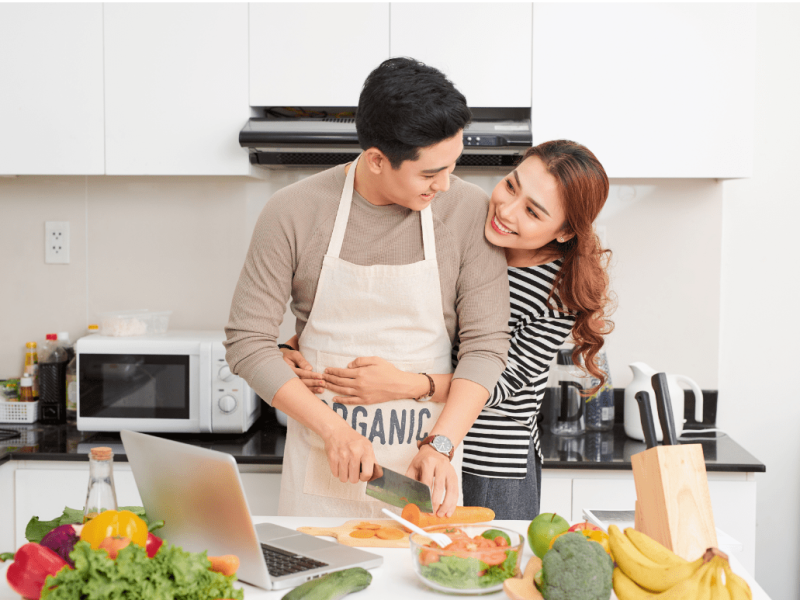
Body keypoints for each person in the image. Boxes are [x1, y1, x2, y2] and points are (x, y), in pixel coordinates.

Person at [224, 57, 510, 519]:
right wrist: (333, 430)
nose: (445, 184)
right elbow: (246, 343)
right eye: (429, 173)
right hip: (321, 472)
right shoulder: (292, 212)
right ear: (377, 160)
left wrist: (442, 444)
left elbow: (487, 345)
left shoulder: (466, 211)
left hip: (426, 472)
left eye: (452, 166)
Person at [284, 140, 614, 519]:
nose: (505, 211)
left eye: (532, 212)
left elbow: (499, 382)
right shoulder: (462, 233)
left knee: (482, 570)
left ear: (565, 231)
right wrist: (293, 346)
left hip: (489, 465)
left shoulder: (559, 293)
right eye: (510, 185)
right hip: (414, 442)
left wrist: (405, 384)